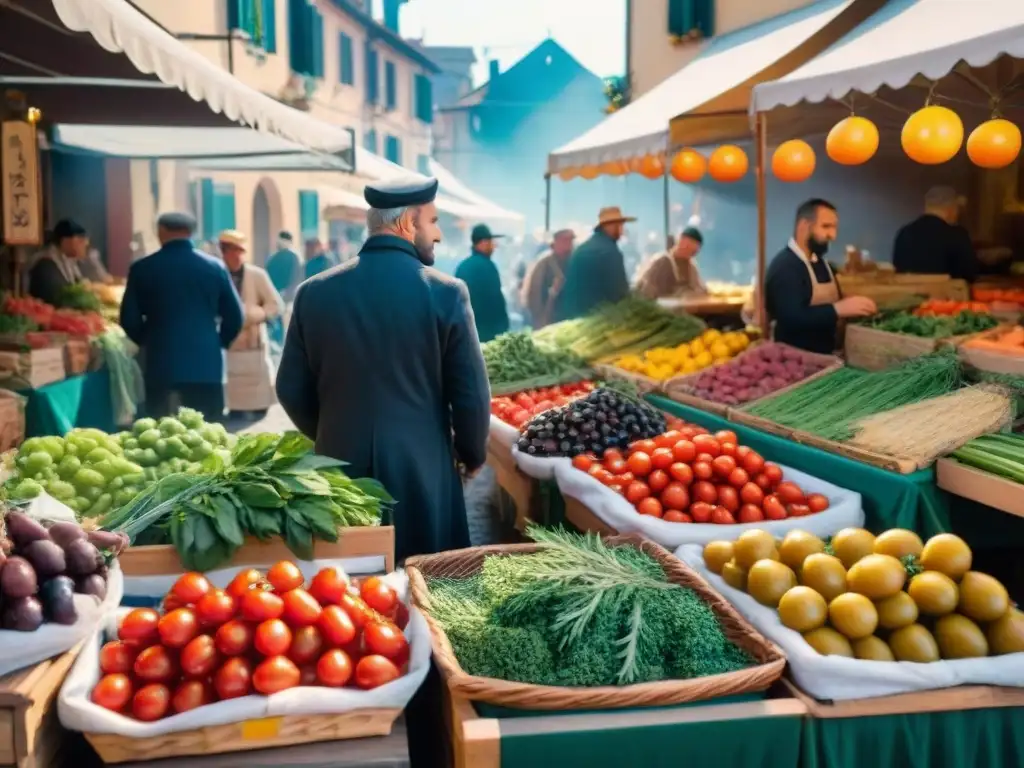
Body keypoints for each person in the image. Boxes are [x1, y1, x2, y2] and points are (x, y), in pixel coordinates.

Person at [276, 176, 490, 561]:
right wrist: (471, 453)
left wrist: (333, 431)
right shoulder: (445, 292)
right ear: (409, 223)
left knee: (347, 592)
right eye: (434, 221)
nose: (439, 234)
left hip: (340, 469)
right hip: (424, 472)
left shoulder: (313, 292)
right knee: (427, 584)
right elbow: (471, 395)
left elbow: (290, 388)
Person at [120, 212, 244, 422]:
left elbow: (129, 318)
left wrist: (147, 340)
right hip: (206, 364)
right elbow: (235, 316)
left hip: (161, 362)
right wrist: (218, 341)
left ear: (161, 231)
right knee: (207, 433)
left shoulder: (142, 268)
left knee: (161, 435)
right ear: (191, 233)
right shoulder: (215, 267)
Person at [764, 199, 876, 354]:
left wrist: (849, 302)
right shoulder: (785, 267)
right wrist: (837, 309)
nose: (833, 235)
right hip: (795, 361)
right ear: (804, 226)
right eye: (826, 227)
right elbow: (791, 318)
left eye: (834, 227)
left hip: (825, 356)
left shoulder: (822, 263)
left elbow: (826, 301)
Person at [218, 230, 283, 418]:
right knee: (232, 380)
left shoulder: (257, 275)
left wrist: (256, 314)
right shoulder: (218, 273)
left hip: (253, 339)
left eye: (240, 251)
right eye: (232, 251)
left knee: (258, 377)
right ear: (224, 252)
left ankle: (259, 406)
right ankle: (236, 408)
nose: (237, 255)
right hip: (230, 340)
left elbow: (274, 304)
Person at [556, 206, 635, 320]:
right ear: (611, 226)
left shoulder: (582, 249)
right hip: (597, 320)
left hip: (573, 317)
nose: (622, 231)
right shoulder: (610, 252)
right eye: (620, 226)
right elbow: (619, 293)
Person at [892, 186, 978, 282]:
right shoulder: (957, 235)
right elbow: (969, 275)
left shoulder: (904, 233)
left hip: (908, 294)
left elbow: (897, 270)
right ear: (951, 208)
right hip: (946, 296)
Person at [454, 224, 510, 343]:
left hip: (467, 330)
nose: (493, 247)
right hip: (488, 330)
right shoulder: (488, 266)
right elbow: (495, 300)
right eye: (490, 242)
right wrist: (503, 327)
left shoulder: (462, 266)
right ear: (483, 243)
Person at [520, 228, 574, 329]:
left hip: (567, 316)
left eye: (570, 241)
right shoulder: (543, 263)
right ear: (557, 242)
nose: (569, 245)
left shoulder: (573, 261)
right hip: (547, 318)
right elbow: (534, 293)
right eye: (566, 241)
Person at [635, 226, 707, 299]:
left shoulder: (691, 266)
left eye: (693, 252)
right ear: (680, 241)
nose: (689, 254)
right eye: (688, 247)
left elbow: (700, 289)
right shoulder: (662, 262)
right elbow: (647, 291)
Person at [28, 219, 87, 305]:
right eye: (80, 241)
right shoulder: (46, 265)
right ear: (65, 241)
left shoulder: (70, 262)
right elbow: (56, 298)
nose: (84, 245)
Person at [265, 231, 303, 302]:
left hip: (287, 296)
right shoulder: (273, 257)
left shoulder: (293, 257)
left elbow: (296, 277)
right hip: (277, 294)